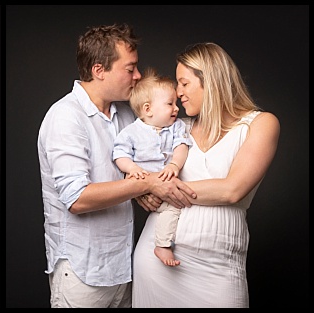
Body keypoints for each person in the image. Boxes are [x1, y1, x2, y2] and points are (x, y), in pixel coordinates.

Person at [36, 23, 195, 308]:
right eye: (130, 68)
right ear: (99, 70)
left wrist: (140, 191)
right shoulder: (66, 117)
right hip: (83, 274)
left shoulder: (126, 115)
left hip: (124, 268)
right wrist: (146, 184)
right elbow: (77, 198)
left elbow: (127, 173)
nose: (137, 76)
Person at [132, 42, 279, 308]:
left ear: (210, 81)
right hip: (156, 260)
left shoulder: (260, 124)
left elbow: (232, 190)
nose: (178, 93)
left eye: (184, 84)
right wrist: (144, 189)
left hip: (218, 267)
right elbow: (140, 165)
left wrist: (162, 188)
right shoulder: (176, 128)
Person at [112, 68, 191, 267]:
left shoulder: (176, 126)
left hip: (165, 181)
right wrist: (131, 169)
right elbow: (119, 154)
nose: (176, 108)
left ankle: (163, 242)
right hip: (142, 181)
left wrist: (174, 164)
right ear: (148, 109)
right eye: (170, 104)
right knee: (172, 208)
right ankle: (162, 245)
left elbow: (181, 146)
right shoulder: (131, 132)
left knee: (172, 208)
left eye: (175, 103)